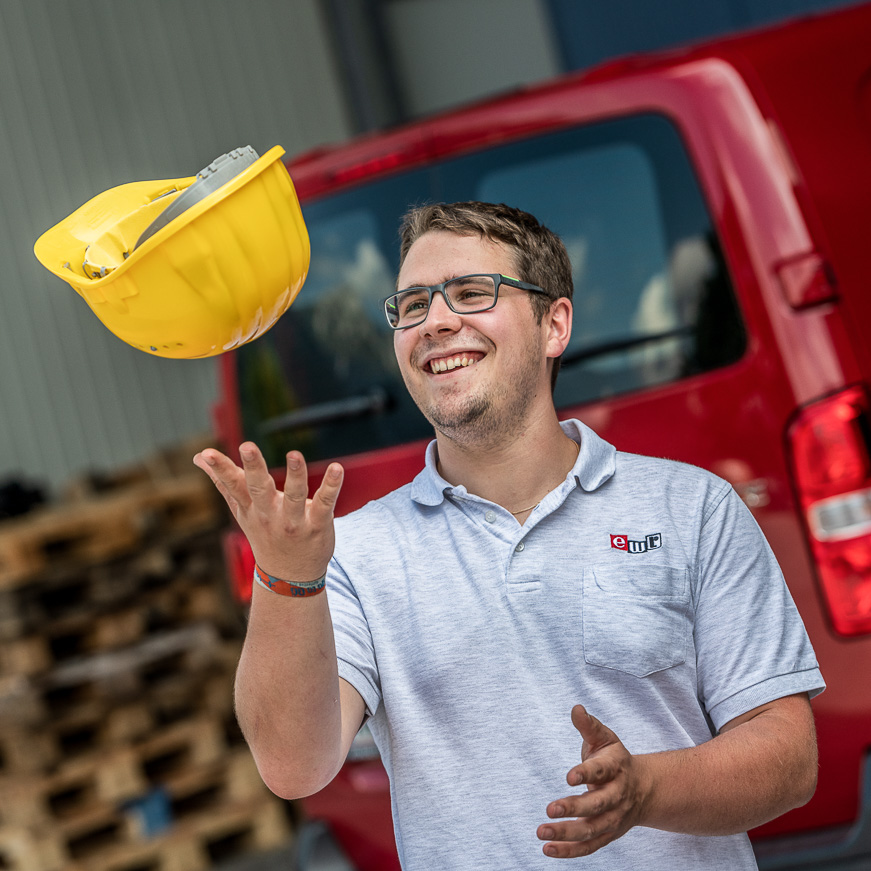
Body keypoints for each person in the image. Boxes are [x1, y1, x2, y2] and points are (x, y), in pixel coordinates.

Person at [194, 201, 824, 869]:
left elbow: (787, 757)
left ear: (553, 324)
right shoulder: (353, 555)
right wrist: (287, 576)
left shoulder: (690, 507)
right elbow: (293, 766)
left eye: (471, 293)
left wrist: (646, 790)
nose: (434, 321)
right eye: (410, 305)